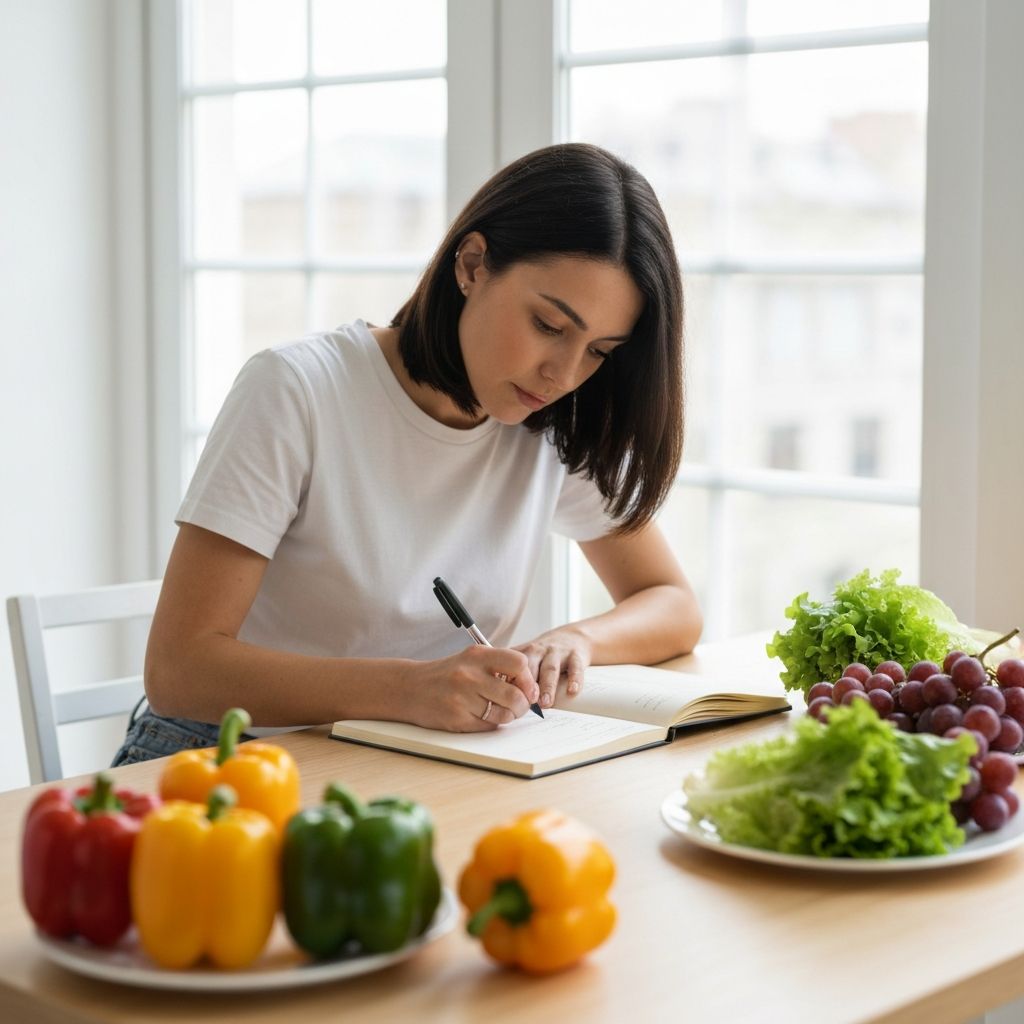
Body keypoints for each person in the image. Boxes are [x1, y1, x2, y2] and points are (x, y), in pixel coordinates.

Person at [112, 142, 703, 766]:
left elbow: (672, 602)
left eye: (599, 351)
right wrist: (408, 689)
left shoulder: (548, 426)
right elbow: (179, 668)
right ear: (472, 266)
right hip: (224, 752)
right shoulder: (297, 389)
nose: (563, 373)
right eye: (549, 327)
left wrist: (577, 639)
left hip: (404, 761)